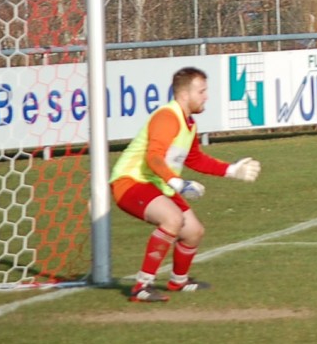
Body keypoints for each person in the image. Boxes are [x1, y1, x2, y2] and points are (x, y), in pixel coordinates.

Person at [110, 66, 261, 302]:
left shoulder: (189, 123)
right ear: (184, 94)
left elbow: (195, 159)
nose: (206, 96)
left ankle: (178, 282)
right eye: (201, 91)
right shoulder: (167, 117)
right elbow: (153, 157)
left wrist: (233, 170)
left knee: (193, 231)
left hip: (158, 184)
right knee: (173, 219)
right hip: (130, 181)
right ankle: (142, 286)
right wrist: (176, 182)